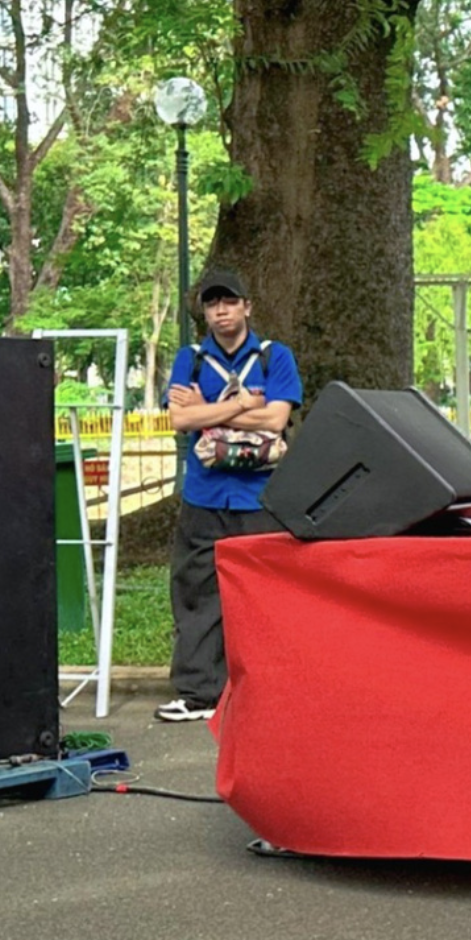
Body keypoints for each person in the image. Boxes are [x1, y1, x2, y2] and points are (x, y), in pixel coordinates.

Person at [160, 268, 301, 723]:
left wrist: (208, 411)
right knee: (196, 592)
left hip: (260, 496)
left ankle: (271, 685)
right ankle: (199, 691)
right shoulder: (191, 359)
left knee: (264, 594)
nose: (221, 311)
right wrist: (243, 404)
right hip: (204, 494)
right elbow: (179, 421)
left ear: (247, 306)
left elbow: (277, 420)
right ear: (205, 312)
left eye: (229, 301)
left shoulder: (274, 357)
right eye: (212, 304)